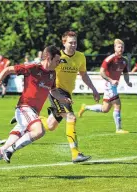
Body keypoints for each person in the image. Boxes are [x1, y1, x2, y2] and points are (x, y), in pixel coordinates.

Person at [0, 45, 72, 176]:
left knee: (5, 147)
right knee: (39, 131)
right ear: (48, 58)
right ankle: (10, 151)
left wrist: (63, 98)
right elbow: (8, 69)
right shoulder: (33, 68)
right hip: (24, 108)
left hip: (31, 114)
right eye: (56, 61)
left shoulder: (52, 74)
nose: (58, 64)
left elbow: (53, 91)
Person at [41, 31, 100, 163]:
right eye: (70, 42)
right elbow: (46, 70)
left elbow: (84, 75)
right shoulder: (58, 57)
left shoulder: (80, 57)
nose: (73, 45)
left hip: (67, 93)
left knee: (51, 125)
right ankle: (75, 154)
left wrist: (94, 89)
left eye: (75, 42)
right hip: (56, 91)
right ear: (64, 43)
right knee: (71, 117)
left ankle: (32, 119)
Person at [78, 39, 132, 134]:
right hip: (109, 85)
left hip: (113, 85)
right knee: (117, 104)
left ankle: (85, 107)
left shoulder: (124, 60)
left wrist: (128, 82)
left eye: (122, 47)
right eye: (119, 47)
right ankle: (118, 129)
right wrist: (111, 80)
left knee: (105, 109)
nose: (121, 49)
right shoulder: (109, 59)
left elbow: (126, 73)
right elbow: (101, 72)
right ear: (115, 48)